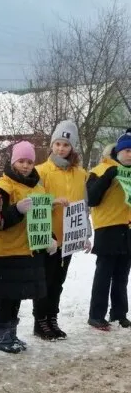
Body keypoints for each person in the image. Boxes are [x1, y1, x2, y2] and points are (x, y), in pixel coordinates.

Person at [0, 141, 62, 353]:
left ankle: (12, 333)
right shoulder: (1, 186)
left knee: (19, 295)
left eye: (29, 161)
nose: (26, 165)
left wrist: (50, 237)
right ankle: (1, 334)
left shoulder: (38, 187)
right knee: (6, 296)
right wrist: (16, 210)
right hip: (8, 250)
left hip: (29, 251)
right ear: (13, 161)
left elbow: (42, 218)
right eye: (21, 161)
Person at [33, 120, 89, 339]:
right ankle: (40, 321)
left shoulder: (80, 173)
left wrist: (85, 233)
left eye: (65, 145)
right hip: (49, 237)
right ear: (51, 145)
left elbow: (83, 206)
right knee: (45, 280)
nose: (61, 149)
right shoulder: (41, 171)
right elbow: (34, 203)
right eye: (57, 144)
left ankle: (52, 318)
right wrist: (53, 201)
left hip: (69, 239)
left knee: (58, 282)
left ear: (72, 147)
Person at [86, 132, 131, 330]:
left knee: (122, 275)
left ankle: (119, 313)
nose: (130, 155)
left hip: (128, 227)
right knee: (104, 274)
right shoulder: (100, 169)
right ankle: (96, 315)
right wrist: (108, 177)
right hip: (107, 228)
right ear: (119, 152)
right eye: (128, 151)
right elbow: (92, 198)